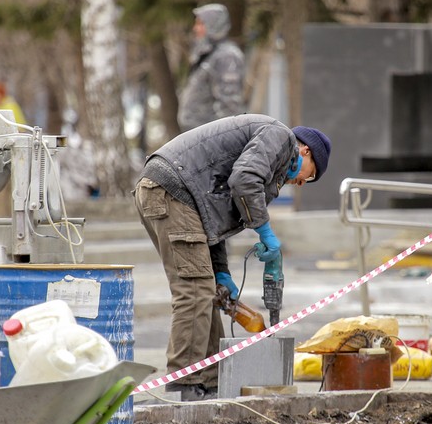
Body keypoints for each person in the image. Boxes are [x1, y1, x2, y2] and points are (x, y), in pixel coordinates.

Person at [134, 114, 332, 401]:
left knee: (210, 290)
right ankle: (183, 386)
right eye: (310, 176)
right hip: (171, 190)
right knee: (194, 291)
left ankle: (209, 383)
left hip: (172, 192)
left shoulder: (270, 169)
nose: (302, 183)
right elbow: (243, 179)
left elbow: (211, 217)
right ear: (306, 151)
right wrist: (265, 232)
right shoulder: (280, 137)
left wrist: (222, 271)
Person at [177, 3, 246, 132]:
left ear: (214, 24)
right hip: (197, 136)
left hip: (211, 140)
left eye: (200, 24)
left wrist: (221, 140)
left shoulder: (227, 56)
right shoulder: (208, 54)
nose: (196, 29)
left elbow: (229, 105)